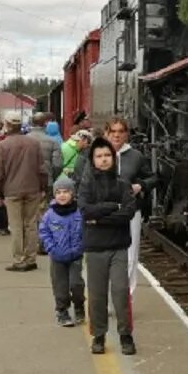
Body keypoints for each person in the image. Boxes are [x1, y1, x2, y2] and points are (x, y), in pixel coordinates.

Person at [75, 118, 155, 296]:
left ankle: (126, 297)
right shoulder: (91, 155)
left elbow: (152, 177)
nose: (117, 135)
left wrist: (140, 185)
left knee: (129, 256)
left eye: (120, 131)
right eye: (113, 132)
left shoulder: (136, 156)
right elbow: (82, 183)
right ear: (106, 133)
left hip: (128, 211)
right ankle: (104, 297)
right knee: (100, 256)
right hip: (99, 212)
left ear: (126, 134)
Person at [79, 137, 137, 355]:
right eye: (99, 156)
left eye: (107, 156)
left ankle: (125, 334)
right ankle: (99, 335)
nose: (103, 160)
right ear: (93, 160)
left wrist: (100, 217)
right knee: (97, 294)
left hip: (118, 245)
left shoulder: (122, 184)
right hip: (95, 247)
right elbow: (85, 211)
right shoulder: (87, 185)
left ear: (113, 158)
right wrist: (113, 207)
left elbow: (128, 213)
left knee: (121, 291)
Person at [0, 117, 48, 272]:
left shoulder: (1, 146)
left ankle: (19, 259)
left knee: (16, 226)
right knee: (31, 224)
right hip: (33, 188)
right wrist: (43, 187)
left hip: (12, 190)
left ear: (7, 127)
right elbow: (42, 168)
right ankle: (31, 258)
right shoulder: (33, 144)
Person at [39, 175, 84, 327]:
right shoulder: (50, 215)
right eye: (58, 192)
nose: (62, 195)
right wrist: (51, 248)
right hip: (57, 257)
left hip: (75, 256)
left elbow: (86, 232)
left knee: (76, 284)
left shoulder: (79, 213)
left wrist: (81, 247)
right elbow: (44, 232)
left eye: (66, 192)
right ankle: (62, 311)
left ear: (72, 193)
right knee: (60, 286)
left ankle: (79, 305)